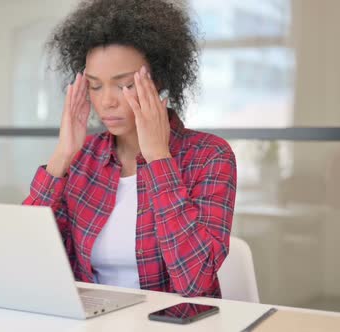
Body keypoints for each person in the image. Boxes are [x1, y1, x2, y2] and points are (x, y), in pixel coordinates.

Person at [22, 0, 237, 298]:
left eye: (124, 85)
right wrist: (61, 157)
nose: (106, 101)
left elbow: (196, 281)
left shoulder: (209, 156)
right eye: (95, 86)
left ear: (159, 79)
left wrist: (158, 159)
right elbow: (26, 259)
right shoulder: (82, 158)